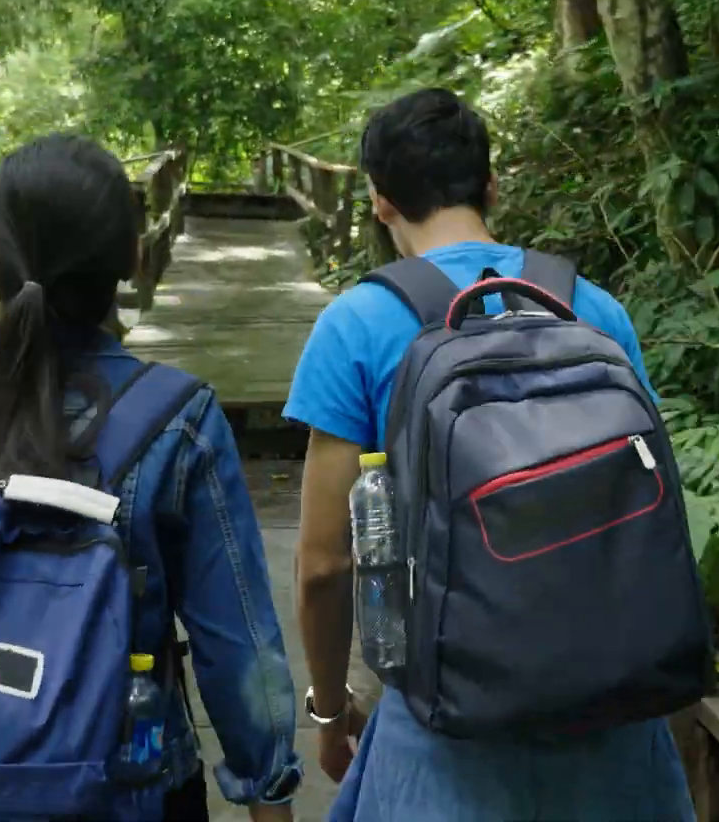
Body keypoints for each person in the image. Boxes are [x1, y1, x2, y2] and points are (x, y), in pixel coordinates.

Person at [0, 134, 301, 821]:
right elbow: (237, 646)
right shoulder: (180, 420)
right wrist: (268, 792)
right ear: (133, 258)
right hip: (128, 789)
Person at [286, 88, 698, 821]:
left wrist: (328, 708)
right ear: (492, 185)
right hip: (615, 717)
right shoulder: (594, 310)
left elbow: (323, 564)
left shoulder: (356, 325)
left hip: (449, 735)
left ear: (381, 202)